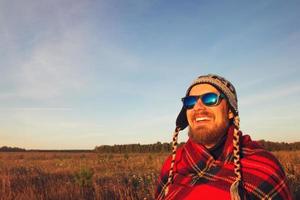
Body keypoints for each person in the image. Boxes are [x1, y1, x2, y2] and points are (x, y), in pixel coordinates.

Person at [155, 74, 292, 200]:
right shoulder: (174, 163)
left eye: (210, 99)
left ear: (230, 111)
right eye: (190, 102)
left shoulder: (263, 167)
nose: (198, 107)